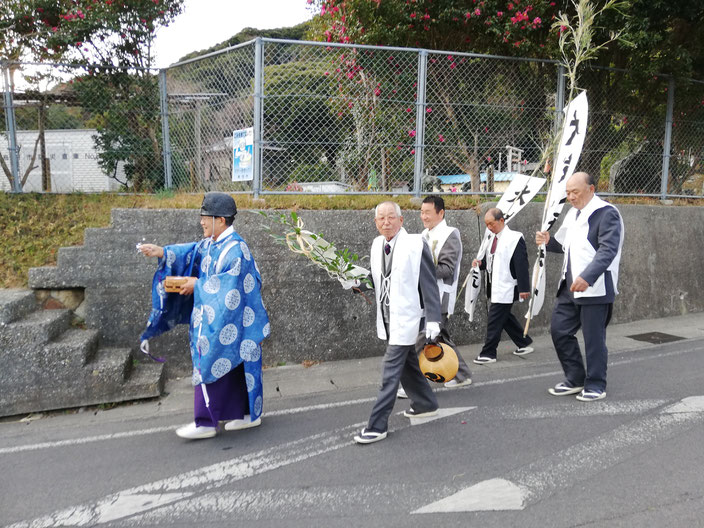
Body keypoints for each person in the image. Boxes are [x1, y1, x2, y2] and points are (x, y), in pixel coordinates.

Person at [138, 192, 270, 439]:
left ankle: (206, 422)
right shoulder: (212, 242)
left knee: (212, 361)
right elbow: (191, 251)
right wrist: (161, 253)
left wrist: (197, 285)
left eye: (205, 217)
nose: (201, 221)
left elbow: (230, 286)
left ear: (220, 220)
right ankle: (244, 414)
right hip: (219, 318)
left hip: (234, 319)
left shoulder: (236, 249)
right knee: (231, 367)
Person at [342, 201, 443, 445]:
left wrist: (433, 319)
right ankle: (425, 403)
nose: (386, 222)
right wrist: (355, 283)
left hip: (407, 317)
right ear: (375, 223)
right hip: (387, 319)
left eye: (391, 217)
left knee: (390, 372)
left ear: (401, 220)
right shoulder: (378, 244)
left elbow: (428, 283)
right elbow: (377, 280)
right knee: (408, 365)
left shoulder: (415, 244)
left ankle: (377, 426)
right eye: (381, 219)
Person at [535, 172, 624, 401]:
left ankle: (595, 384)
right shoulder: (573, 214)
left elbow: (608, 250)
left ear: (591, 189)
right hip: (569, 285)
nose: (571, 197)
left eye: (575, 192)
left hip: (594, 288)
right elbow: (563, 245)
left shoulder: (607, 214)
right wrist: (548, 241)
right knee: (559, 331)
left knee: (594, 339)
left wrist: (588, 276)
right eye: (568, 193)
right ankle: (575, 378)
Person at [397, 195, 471, 398]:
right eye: (421, 212)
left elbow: (447, 268)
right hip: (425, 297)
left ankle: (414, 385)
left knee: (421, 339)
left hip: (440, 297)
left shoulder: (450, 235)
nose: (423, 217)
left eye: (427, 213)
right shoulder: (424, 234)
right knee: (439, 337)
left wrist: (419, 270)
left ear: (441, 213)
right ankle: (462, 374)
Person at [472, 208, 533, 364]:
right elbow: (491, 262)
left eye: (491, 223)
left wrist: (524, 287)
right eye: (486, 224)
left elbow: (521, 263)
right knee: (504, 318)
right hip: (495, 284)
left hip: (508, 285)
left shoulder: (514, 237)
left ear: (501, 220)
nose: (489, 227)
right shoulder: (492, 238)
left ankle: (489, 352)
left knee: (495, 319)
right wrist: (480, 264)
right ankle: (523, 342)